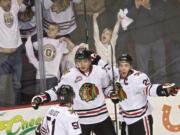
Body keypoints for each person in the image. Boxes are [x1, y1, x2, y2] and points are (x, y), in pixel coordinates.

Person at [31, 48, 116, 135]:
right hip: (81, 120)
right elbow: (58, 90)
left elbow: (106, 88)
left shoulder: (100, 71)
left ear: (90, 61)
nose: (82, 64)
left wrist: (111, 93)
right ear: (75, 62)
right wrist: (42, 97)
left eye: (85, 61)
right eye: (79, 61)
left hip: (102, 117)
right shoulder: (70, 75)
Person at [110, 53, 179, 135]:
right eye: (121, 65)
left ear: (131, 66)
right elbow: (118, 97)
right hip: (126, 121)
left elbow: (149, 89)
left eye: (126, 65)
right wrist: (113, 97)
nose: (123, 68)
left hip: (141, 120)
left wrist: (163, 90)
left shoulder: (139, 77)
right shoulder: (116, 77)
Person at [25, 24, 73, 93]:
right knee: (39, 100)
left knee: (51, 100)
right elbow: (29, 49)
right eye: (49, 29)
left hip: (53, 76)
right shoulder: (41, 41)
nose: (50, 31)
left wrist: (66, 39)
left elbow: (73, 48)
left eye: (53, 29)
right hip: (40, 76)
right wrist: (35, 62)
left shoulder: (60, 43)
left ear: (58, 32)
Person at [0, 0, 23, 105]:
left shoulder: (13, 5)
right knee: (2, 86)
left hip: (16, 51)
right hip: (2, 54)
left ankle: (17, 108)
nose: (8, 2)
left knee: (17, 84)